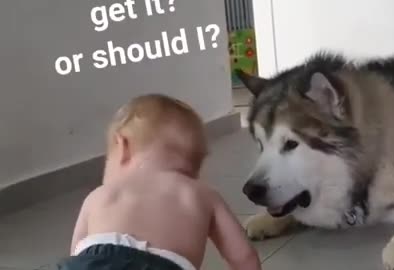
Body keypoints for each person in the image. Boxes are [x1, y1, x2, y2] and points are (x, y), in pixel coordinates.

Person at [57, 94, 261, 270]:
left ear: (122, 146)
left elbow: (76, 253)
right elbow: (244, 257)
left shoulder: (99, 196)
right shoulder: (201, 194)